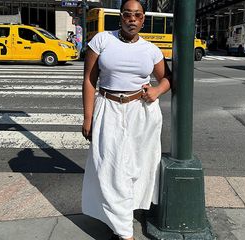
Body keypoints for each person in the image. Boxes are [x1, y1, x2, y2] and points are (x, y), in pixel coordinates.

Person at [81, 0, 172, 239]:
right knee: (109, 168)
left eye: (138, 15)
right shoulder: (102, 40)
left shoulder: (151, 49)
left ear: (143, 19)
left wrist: (156, 91)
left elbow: (167, 79)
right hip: (108, 108)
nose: (132, 19)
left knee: (136, 168)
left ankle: (122, 215)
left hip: (141, 112)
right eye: (127, 15)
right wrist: (88, 118)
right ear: (120, 17)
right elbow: (89, 81)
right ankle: (124, 231)